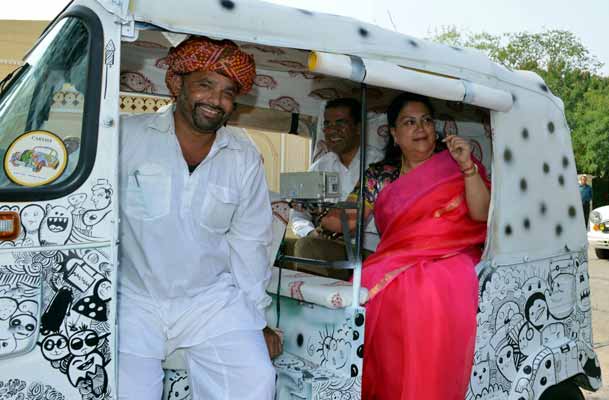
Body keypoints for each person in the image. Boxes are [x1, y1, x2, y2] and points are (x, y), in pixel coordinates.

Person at [117, 36, 280, 400]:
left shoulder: (243, 157)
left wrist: (258, 320)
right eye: (205, 85)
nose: (216, 101)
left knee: (256, 381)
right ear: (177, 84)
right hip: (133, 296)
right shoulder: (126, 136)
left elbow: (250, 242)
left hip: (209, 301)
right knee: (128, 391)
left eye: (227, 92)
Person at [322, 92, 490, 399]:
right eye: (409, 122)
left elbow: (480, 214)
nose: (421, 128)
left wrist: (467, 167)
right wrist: (313, 208)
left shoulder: (454, 165)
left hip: (451, 255)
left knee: (425, 291)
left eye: (426, 120)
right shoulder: (379, 175)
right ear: (395, 134)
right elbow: (344, 221)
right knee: (363, 285)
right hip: (396, 257)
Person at [289, 98, 382, 278]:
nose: (332, 130)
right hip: (330, 247)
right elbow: (298, 215)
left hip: (371, 250)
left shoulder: (379, 164)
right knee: (306, 246)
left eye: (341, 123)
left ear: (357, 128)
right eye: (327, 124)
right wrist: (310, 232)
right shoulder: (319, 166)